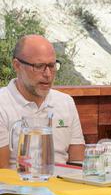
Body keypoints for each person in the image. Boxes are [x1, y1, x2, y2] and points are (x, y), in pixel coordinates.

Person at [0, 34, 85, 167]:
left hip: (63, 185)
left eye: (52, 66)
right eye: (39, 66)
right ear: (17, 65)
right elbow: (2, 173)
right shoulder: (3, 103)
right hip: (18, 185)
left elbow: (78, 163)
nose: (47, 74)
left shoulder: (65, 102)